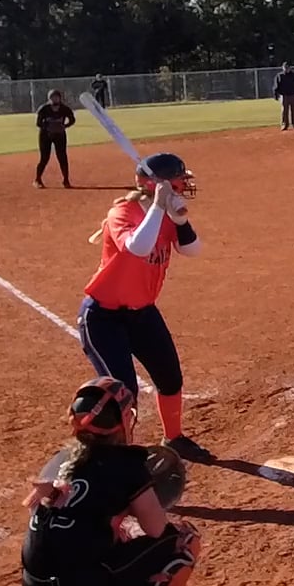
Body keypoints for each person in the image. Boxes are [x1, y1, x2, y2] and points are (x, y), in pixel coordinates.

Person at [20, 378, 203, 586]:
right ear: (123, 420)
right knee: (183, 541)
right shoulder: (127, 466)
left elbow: (58, 521)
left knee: (76, 549)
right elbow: (157, 529)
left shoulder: (59, 459)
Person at [78, 154, 212, 462]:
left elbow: (193, 250)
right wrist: (157, 207)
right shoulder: (122, 213)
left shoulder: (164, 216)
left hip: (143, 313)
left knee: (170, 377)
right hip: (104, 317)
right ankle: (116, 459)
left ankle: (174, 438)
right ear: (157, 185)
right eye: (179, 179)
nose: (184, 184)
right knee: (122, 394)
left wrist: (180, 221)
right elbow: (138, 248)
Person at [36, 89, 77, 188]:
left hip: (60, 135)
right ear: (49, 98)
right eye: (52, 97)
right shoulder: (44, 109)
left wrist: (65, 126)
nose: (54, 99)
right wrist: (48, 127)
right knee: (44, 158)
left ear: (60, 98)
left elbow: (72, 120)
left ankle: (66, 180)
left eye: (56, 97)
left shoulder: (64, 109)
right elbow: (38, 123)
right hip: (46, 135)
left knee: (62, 157)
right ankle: (37, 179)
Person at [272, 64, 294, 131]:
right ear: (283, 68)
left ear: (290, 68)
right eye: (285, 68)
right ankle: (284, 125)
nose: (286, 69)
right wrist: (275, 95)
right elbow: (276, 86)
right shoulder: (279, 75)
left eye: (287, 67)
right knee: (284, 111)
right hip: (284, 95)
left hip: (293, 95)